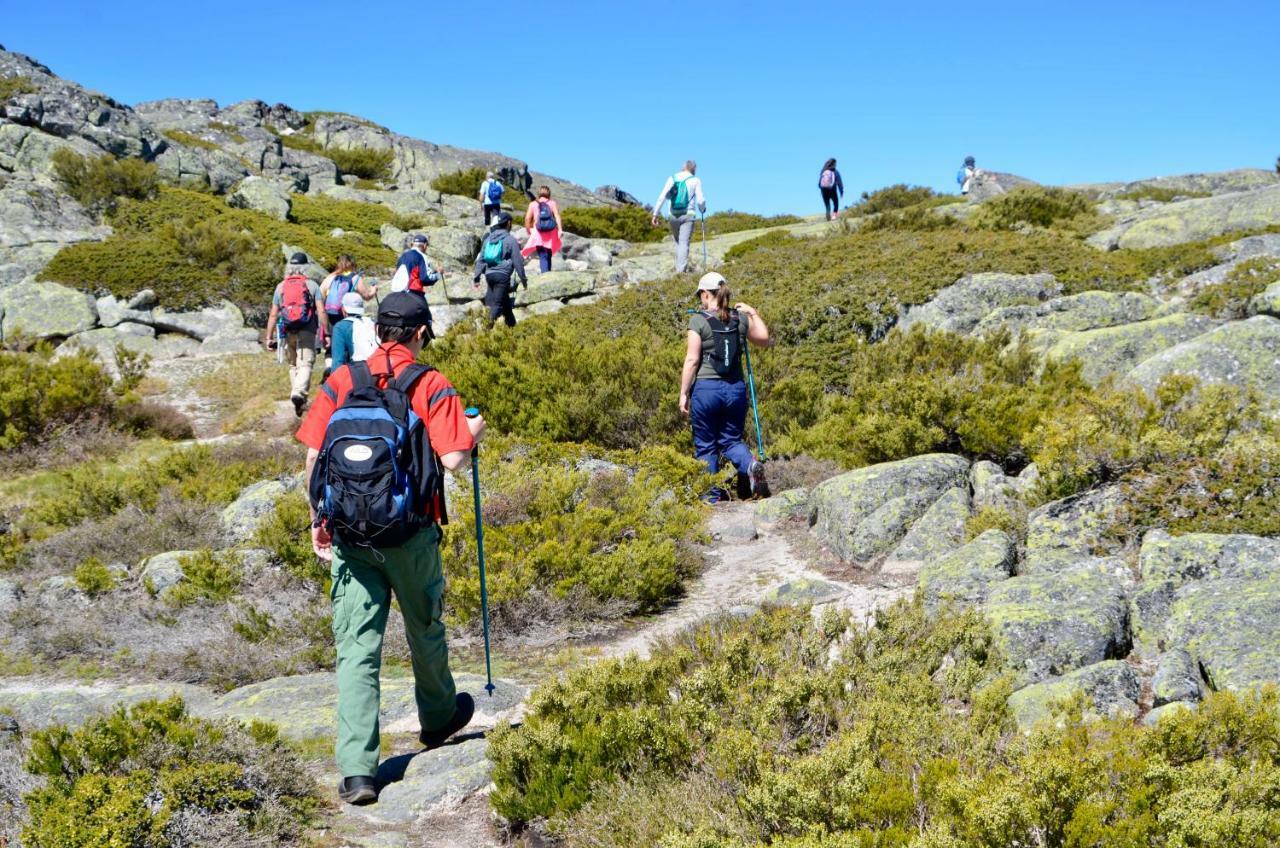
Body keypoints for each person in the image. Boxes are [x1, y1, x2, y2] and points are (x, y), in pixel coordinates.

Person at [297, 291, 487, 807]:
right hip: (411, 533)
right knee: (425, 627)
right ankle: (438, 717)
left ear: (379, 331)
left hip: (351, 538)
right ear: (420, 333)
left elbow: (316, 455)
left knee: (357, 650)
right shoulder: (431, 383)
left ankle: (358, 770)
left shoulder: (341, 380)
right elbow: (452, 461)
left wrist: (320, 518)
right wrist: (472, 432)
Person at [679, 272, 773, 503]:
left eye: (700, 295)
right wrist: (753, 312)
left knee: (706, 446)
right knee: (731, 440)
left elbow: (692, 360)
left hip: (706, 391)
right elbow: (764, 338)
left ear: (705, 294)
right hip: (735, 390)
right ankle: (750, 465)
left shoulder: (698, 321)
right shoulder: (740, 318)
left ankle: (711, 498)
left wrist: (683, 393)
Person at [265, 252, 322, 417]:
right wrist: (326, 332)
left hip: (288, 329)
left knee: (293, 364)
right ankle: (298, 393)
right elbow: (321, 310)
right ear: (306, 267)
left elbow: (274, 314)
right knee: (306, 363)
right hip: (307, 328)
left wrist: (269, 337)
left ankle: (299, 401)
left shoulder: (281, 286)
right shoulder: (312, 285)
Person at [472, 212, 527, 328]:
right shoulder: (510, 239)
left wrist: (476, 278)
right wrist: (524, 280)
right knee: (496, 305)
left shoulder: (488, 240)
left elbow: (481, 259)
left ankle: (513, 328)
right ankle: (485, 333)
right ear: (508, 223)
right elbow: (518, 261)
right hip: (502, 276)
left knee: (505, 304)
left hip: (489, 275)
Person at [652, 160, 707, 274]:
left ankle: (678, 269)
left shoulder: (672, 178)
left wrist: (655, 214)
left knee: (678, 242)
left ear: (683, 167)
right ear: (694, 169)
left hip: (673, 216)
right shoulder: (695, 180)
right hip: (688, 215)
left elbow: (662, 197)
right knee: (684, 243)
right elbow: (701, 200)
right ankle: (680, 273)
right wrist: (702, 209)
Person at [321, 254, 377, 332]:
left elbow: (320, 296)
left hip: (329, 314)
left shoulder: (330, 277)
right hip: (345, 315)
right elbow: (366, 296)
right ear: (352, 264)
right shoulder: (355, 277)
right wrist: (373, 290)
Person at [329, 291, 377, 371]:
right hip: (375, 370)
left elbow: (338, 361)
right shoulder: (370, 323)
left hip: (357, 373)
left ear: (343, 309)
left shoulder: (341, 327)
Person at [521, 185, 563, 273]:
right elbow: (557, 216)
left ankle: (545, 274)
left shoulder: (533, 204)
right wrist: (560, 229)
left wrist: (528, 230)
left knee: (542, 254)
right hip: (551, 232)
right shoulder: (552, 203)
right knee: (548, 253)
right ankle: (548, 273)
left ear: (538, 194)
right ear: (549, 194)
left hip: (538, 232)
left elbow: (527, 218)